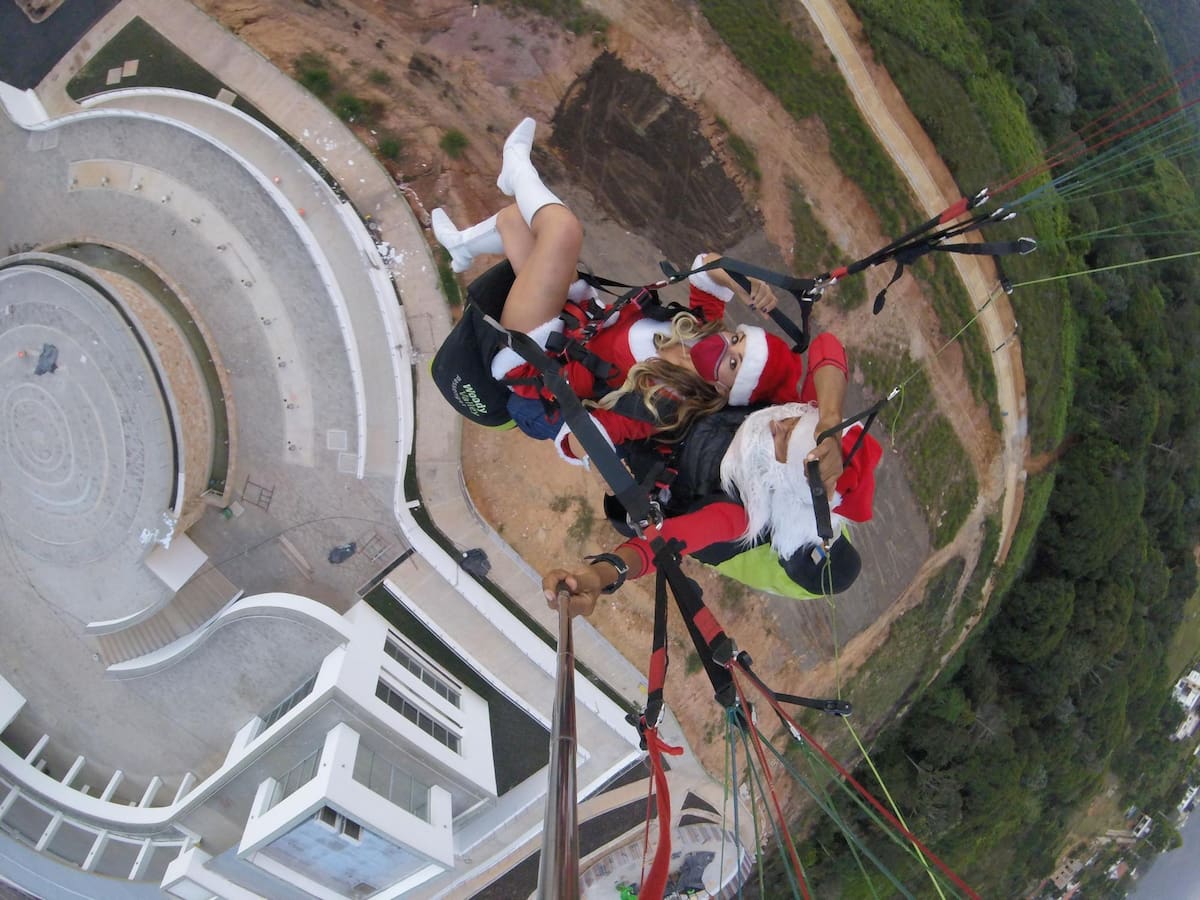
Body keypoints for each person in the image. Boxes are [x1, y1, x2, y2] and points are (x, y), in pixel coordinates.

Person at [541, 348, 884, 610]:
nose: (779, 424)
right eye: (795, 421)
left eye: (784, 438)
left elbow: (665, 543)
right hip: (674, 412)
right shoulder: (792, 418)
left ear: (778, 477)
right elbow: (828, 349)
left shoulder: (735, 517)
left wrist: (599, 576)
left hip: (650, 444)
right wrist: (829, 419)